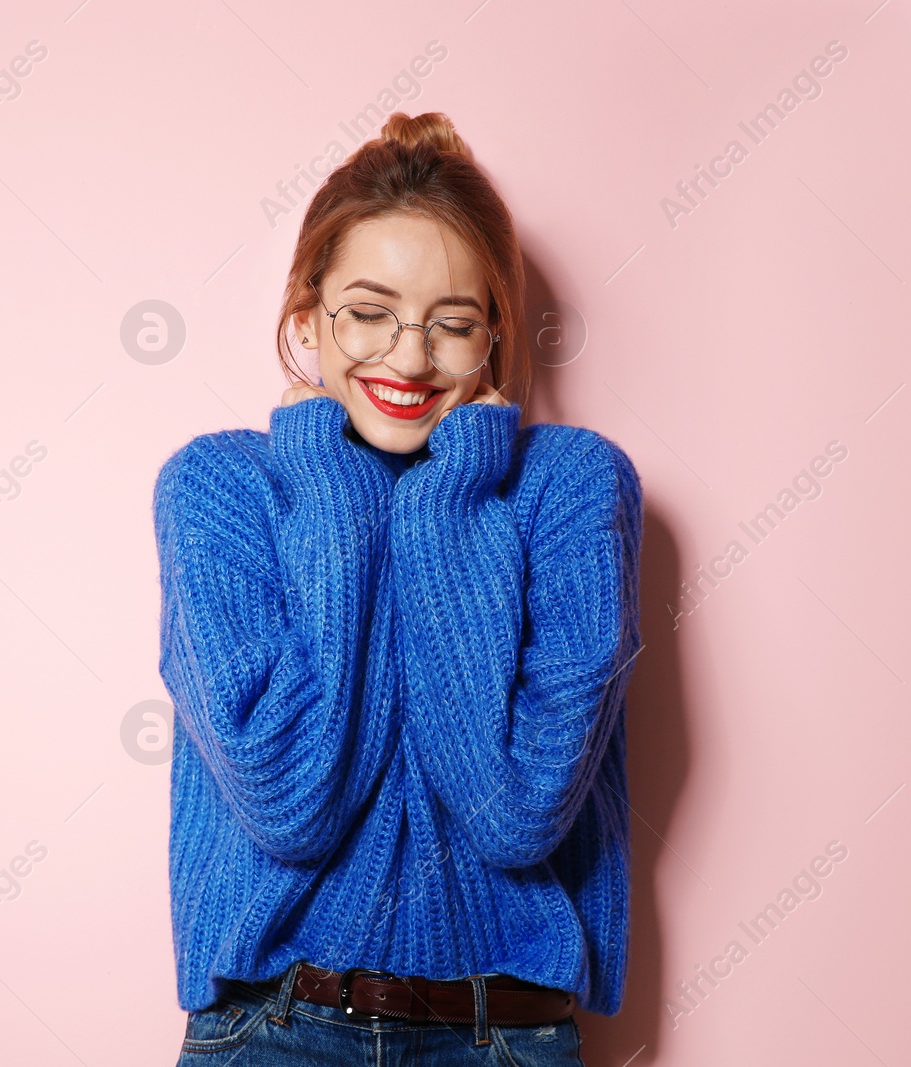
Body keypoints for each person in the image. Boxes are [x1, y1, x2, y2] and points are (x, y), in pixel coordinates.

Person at [152, 110, 644, 1065]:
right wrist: (337, 495)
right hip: (275, 1030)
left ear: (495, 333)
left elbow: (514, 811)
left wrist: (446, 499)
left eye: (452, 323)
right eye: (368, 312)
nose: (409, 358)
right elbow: (289, 800)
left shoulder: (573, 485)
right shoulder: (219, 489)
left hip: (504, 1038)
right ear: (307, 316)